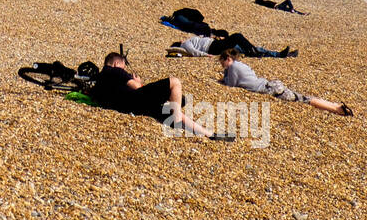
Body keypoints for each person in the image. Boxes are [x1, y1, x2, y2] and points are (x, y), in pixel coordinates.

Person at [89, 51, 230, 139]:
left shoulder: (100, 79)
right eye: (123, 66)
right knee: (174, 82)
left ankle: (209, 135)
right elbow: (137, 87)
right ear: (116, 63)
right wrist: (137, 81)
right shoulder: (115, 71)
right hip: (134, 100)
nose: (124, 69)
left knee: (169, 109)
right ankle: (182, 119)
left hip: (126, 106)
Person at [218, 50, 352, 115]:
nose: (222, 65)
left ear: (227, 59)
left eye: (222, 63)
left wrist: (224, 75)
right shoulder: (241, 64)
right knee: (303, 97)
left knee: (306, 101)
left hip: (269, 89)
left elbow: (231, 84)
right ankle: (334, 105)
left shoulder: (233, 67)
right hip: (271, 85)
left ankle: (337, 109)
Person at [170, 31, 294, 59]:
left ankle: (279, 54)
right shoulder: (185, 44)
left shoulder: (190, 40)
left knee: (243, 47)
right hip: (213, 47)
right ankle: (254, 52)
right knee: (237, 37)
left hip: (216, 44)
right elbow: (193, 52)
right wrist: (206, 55)